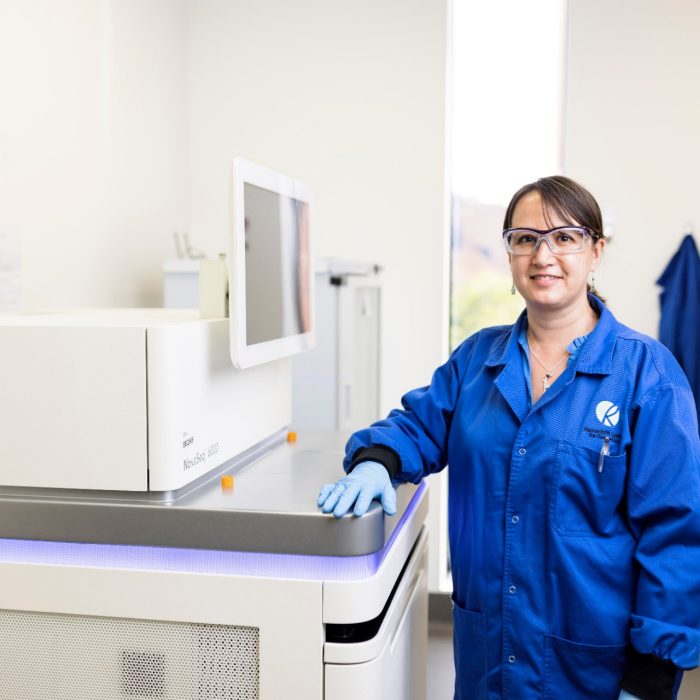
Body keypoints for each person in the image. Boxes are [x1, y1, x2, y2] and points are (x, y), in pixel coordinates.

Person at [317, 176, 700, 700]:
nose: (543, 254)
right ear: (510, 254)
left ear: (596, 251)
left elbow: (676, 533)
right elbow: (417, 425)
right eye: (525, 239)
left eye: (565, 237)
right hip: (489, 657)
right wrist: (377, 460)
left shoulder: (647, 375)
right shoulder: (477, 361)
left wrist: (653, 674)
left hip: (593, 669)